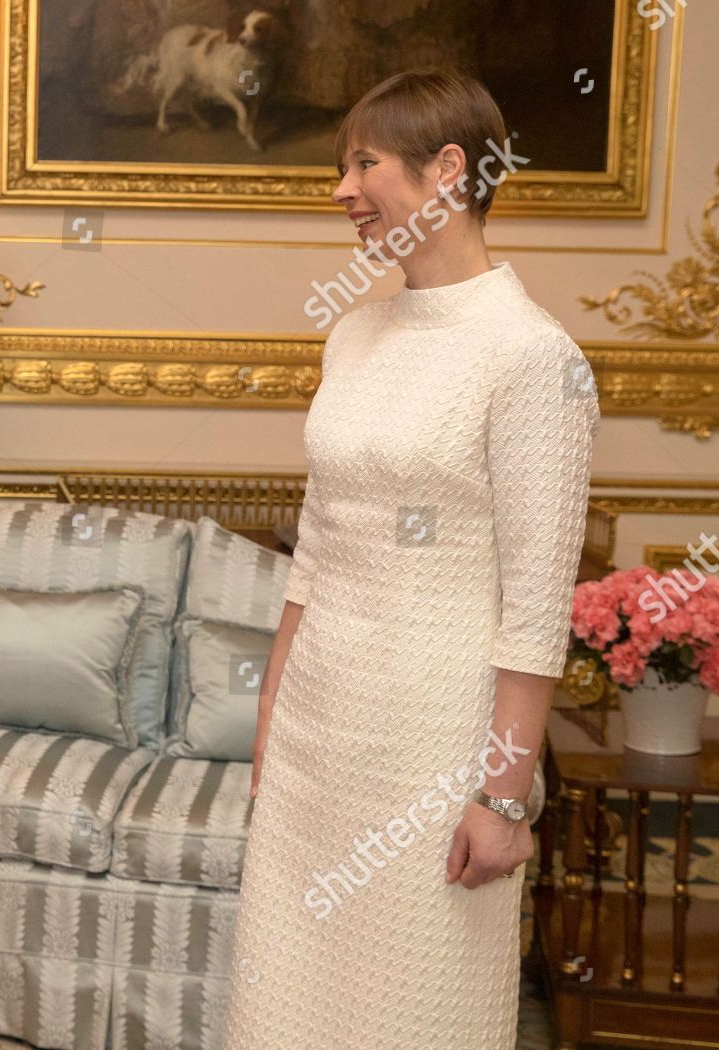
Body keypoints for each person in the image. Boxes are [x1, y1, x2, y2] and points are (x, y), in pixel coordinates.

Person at [226, 69, 599, 1049]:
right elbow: (315, 552)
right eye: (340, 164)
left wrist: (503, 793)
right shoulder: (352, 333)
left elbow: (535, 605)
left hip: (432, 754)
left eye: (364, 163)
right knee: (289, 1006)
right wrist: (271, 722)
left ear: (448, 170)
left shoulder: (531, 355)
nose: (341, 188)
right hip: (314, 741)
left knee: (412, 1006)